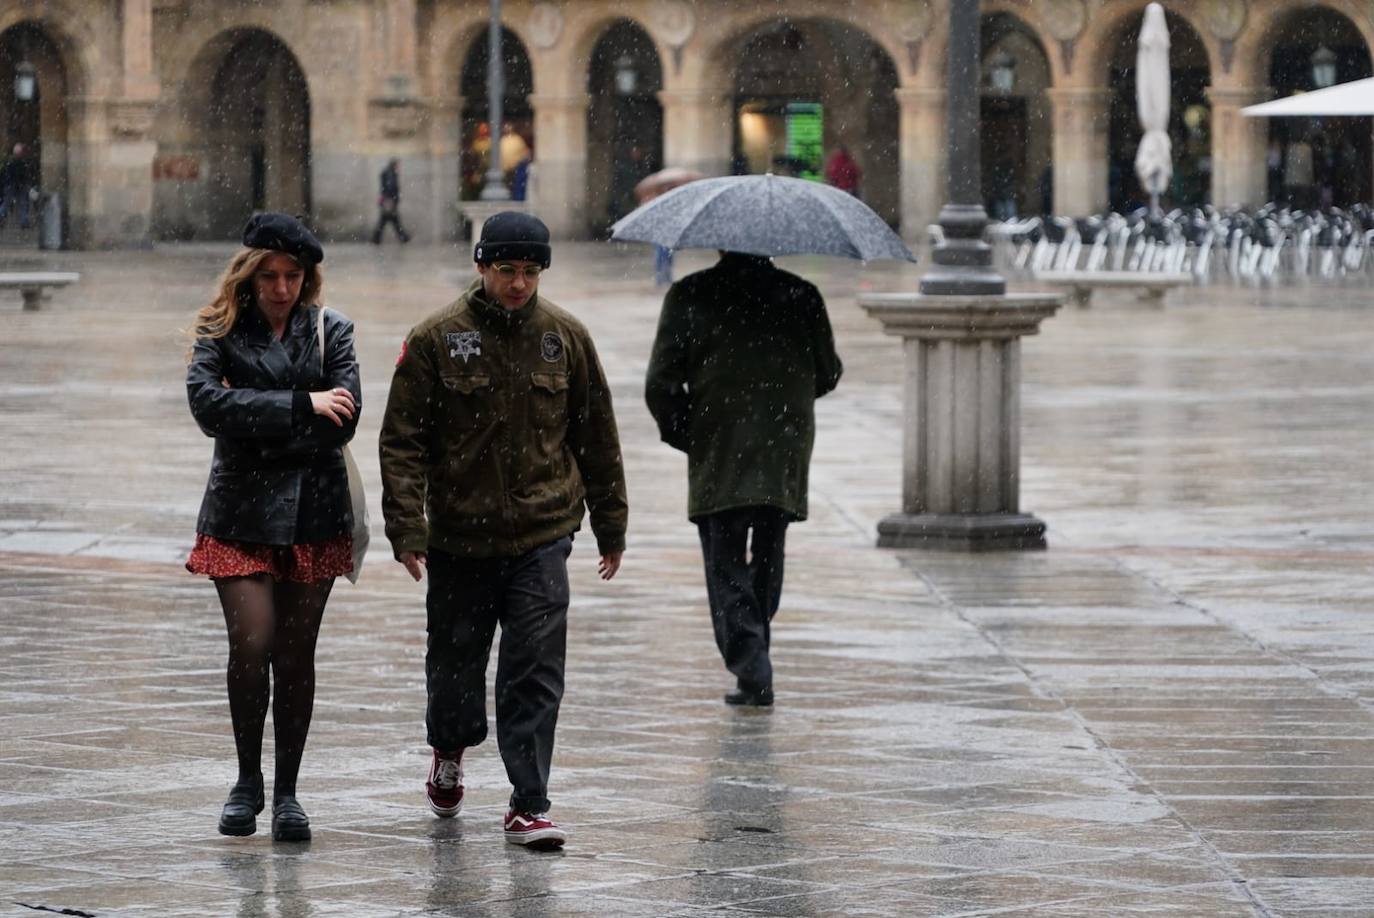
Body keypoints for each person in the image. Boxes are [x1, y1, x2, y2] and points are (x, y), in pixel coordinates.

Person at [379, 211, 627, 849]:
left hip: (544, 532)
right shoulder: (437, 339)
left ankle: (529, 801)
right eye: (507, 271)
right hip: (460, 536)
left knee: (534, 669)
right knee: (456, 666)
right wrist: (407, 526)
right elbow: (402, 440)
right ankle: (449, 748)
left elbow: (596, 435)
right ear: (481, 267)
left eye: (530, 272)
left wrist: (611, 523)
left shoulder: (565, 337)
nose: (519, 284)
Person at [184, 212, 361, 842]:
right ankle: (245, 780)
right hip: (239, 513)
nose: (282, 288)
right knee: (251, 642)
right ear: (249, 276)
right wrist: (299, 404)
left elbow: (345, 418)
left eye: (292, 276)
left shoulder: (330, 329)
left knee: (295, 654)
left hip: (313, 514)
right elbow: (208, 406)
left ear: (306, 278)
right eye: (270, 276)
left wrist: (256, 418)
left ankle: (287, 791)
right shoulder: (220, 331)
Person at [645, 251, 842, 707]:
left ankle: (752, 663)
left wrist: (686, 433)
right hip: (783, 442)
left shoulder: (689, 294)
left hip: (720, 440)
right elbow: (827, 372)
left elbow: (661, 382)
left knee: (724, 558)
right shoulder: (801, 293)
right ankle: (754, 656)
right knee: (769, 551)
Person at [372, 158, 410, 244]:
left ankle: (376, 238)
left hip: (387, 201)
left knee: (386, 221)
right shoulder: (391, 174)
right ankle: (403, 238)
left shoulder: (387, 173)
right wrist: (393, 199)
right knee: (391, 221)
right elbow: (391, 187)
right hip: (389, 201)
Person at [0, 143, 36, 229]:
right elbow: (13, 174)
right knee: (13, 203)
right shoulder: (14, 162)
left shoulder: (11, 161)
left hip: (15, 185)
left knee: (16, 203)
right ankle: (24, 222)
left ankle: (24, 221)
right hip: (14, 185)